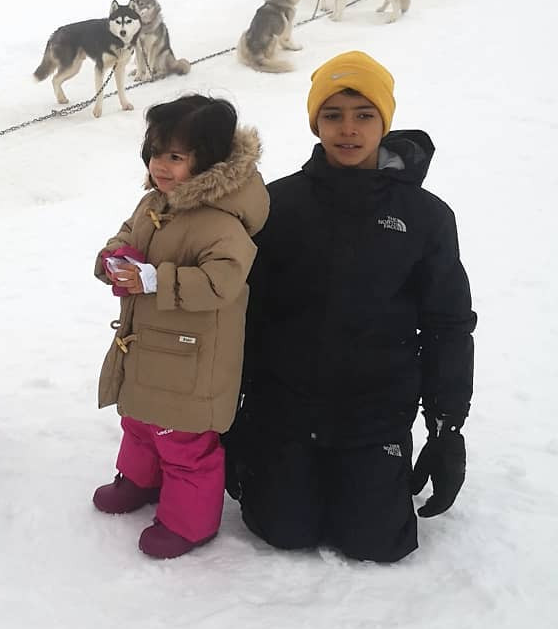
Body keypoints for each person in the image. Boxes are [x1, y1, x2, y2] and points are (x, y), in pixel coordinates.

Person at [232, 51, 475, 563]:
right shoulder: (277, 205)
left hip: (374, 413)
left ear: (384, 122)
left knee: (377, 542)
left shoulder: (426, 217)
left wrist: (446, 426)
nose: (348, 130)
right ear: (314, 122)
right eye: (333, 115)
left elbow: (447, 324)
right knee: (282, 529)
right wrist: (233, 420)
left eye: (364, 115)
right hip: (286, 408)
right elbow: (244, 316)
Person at [92, 94, 269, 558]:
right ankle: (138, 479)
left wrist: (154, 278)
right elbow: (127, 236)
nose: (161, 166)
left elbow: (222, 281)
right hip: (147, 348)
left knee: (184, 440)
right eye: (155, 153)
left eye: (175, 156)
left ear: (207, 160)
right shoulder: (155, 203)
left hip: (193, 359)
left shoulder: (222, 221)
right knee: (141, 422)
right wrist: (114, 257)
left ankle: (189, 523)